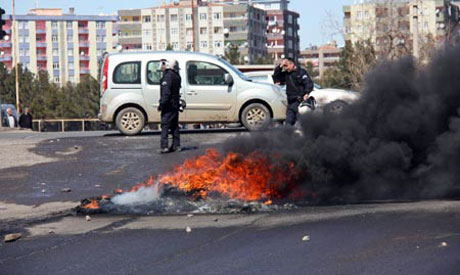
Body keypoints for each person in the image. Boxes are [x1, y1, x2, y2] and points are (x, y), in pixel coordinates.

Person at [277, 58, 314, 126]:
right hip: (290, 102)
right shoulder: (286, 74)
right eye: (284, 66)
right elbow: (276, 77)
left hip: (299, 102)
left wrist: (306, 93)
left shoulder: (301, 72)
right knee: (288, 124)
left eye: (286, 66)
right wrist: (280, 66)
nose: (285, 68)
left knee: (301, 124)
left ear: (292, 64)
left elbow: (308, 83)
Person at [158, 58, 182, 153]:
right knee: (174, 125)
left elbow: (166, 93)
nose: (162, 66)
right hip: (175, 104)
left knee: (165, 125)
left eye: (163, 64)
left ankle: (164, 146)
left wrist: (161, 105)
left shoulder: (168, 77)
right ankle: (176, 145)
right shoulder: (176, 76)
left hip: (168, 105)